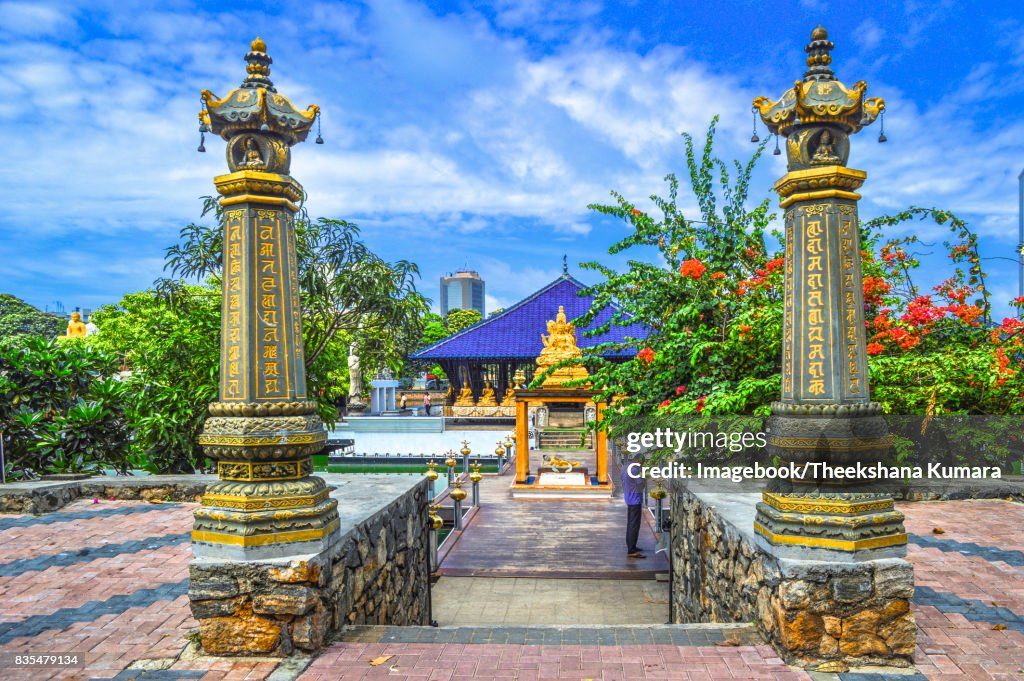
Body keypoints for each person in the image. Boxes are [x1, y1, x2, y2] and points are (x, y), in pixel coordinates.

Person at [621, 457, 646, 558]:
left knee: (630, 523)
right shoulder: (634, 469)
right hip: (635, 499)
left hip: (628, 497)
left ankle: (632, 546)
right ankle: (631, 550)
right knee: (634, 525)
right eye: (642, 464)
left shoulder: (625, 467)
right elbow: (640, 484)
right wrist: (644, 479)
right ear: (639, 461)